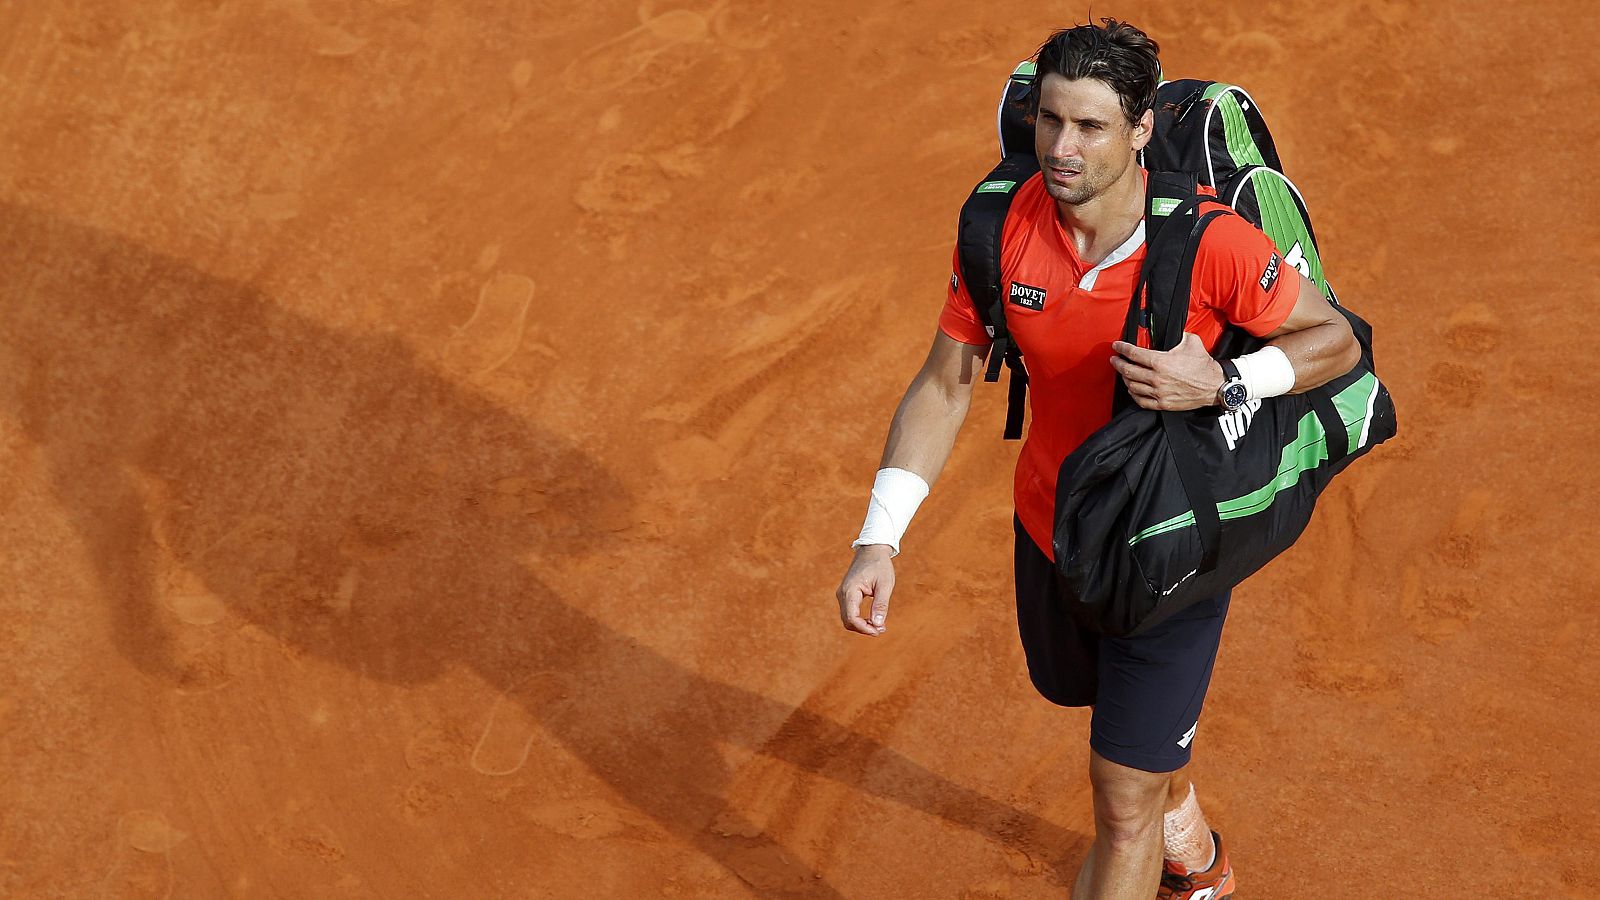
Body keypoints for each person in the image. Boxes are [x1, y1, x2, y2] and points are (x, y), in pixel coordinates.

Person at [833, 20, 1360, 900]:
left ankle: (1174, 853)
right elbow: (943, 386)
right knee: (1103, 725)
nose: (1062, 149)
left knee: (1119, 807)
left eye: (1091, 128)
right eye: (1049, 122)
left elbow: (1334, 342)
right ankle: (1177, 816)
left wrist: (1226, 379)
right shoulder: (999, 228)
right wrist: (878, 538)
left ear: (1143, 129)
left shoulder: (1210, 242)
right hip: (1053, 532)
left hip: (1171, 545)